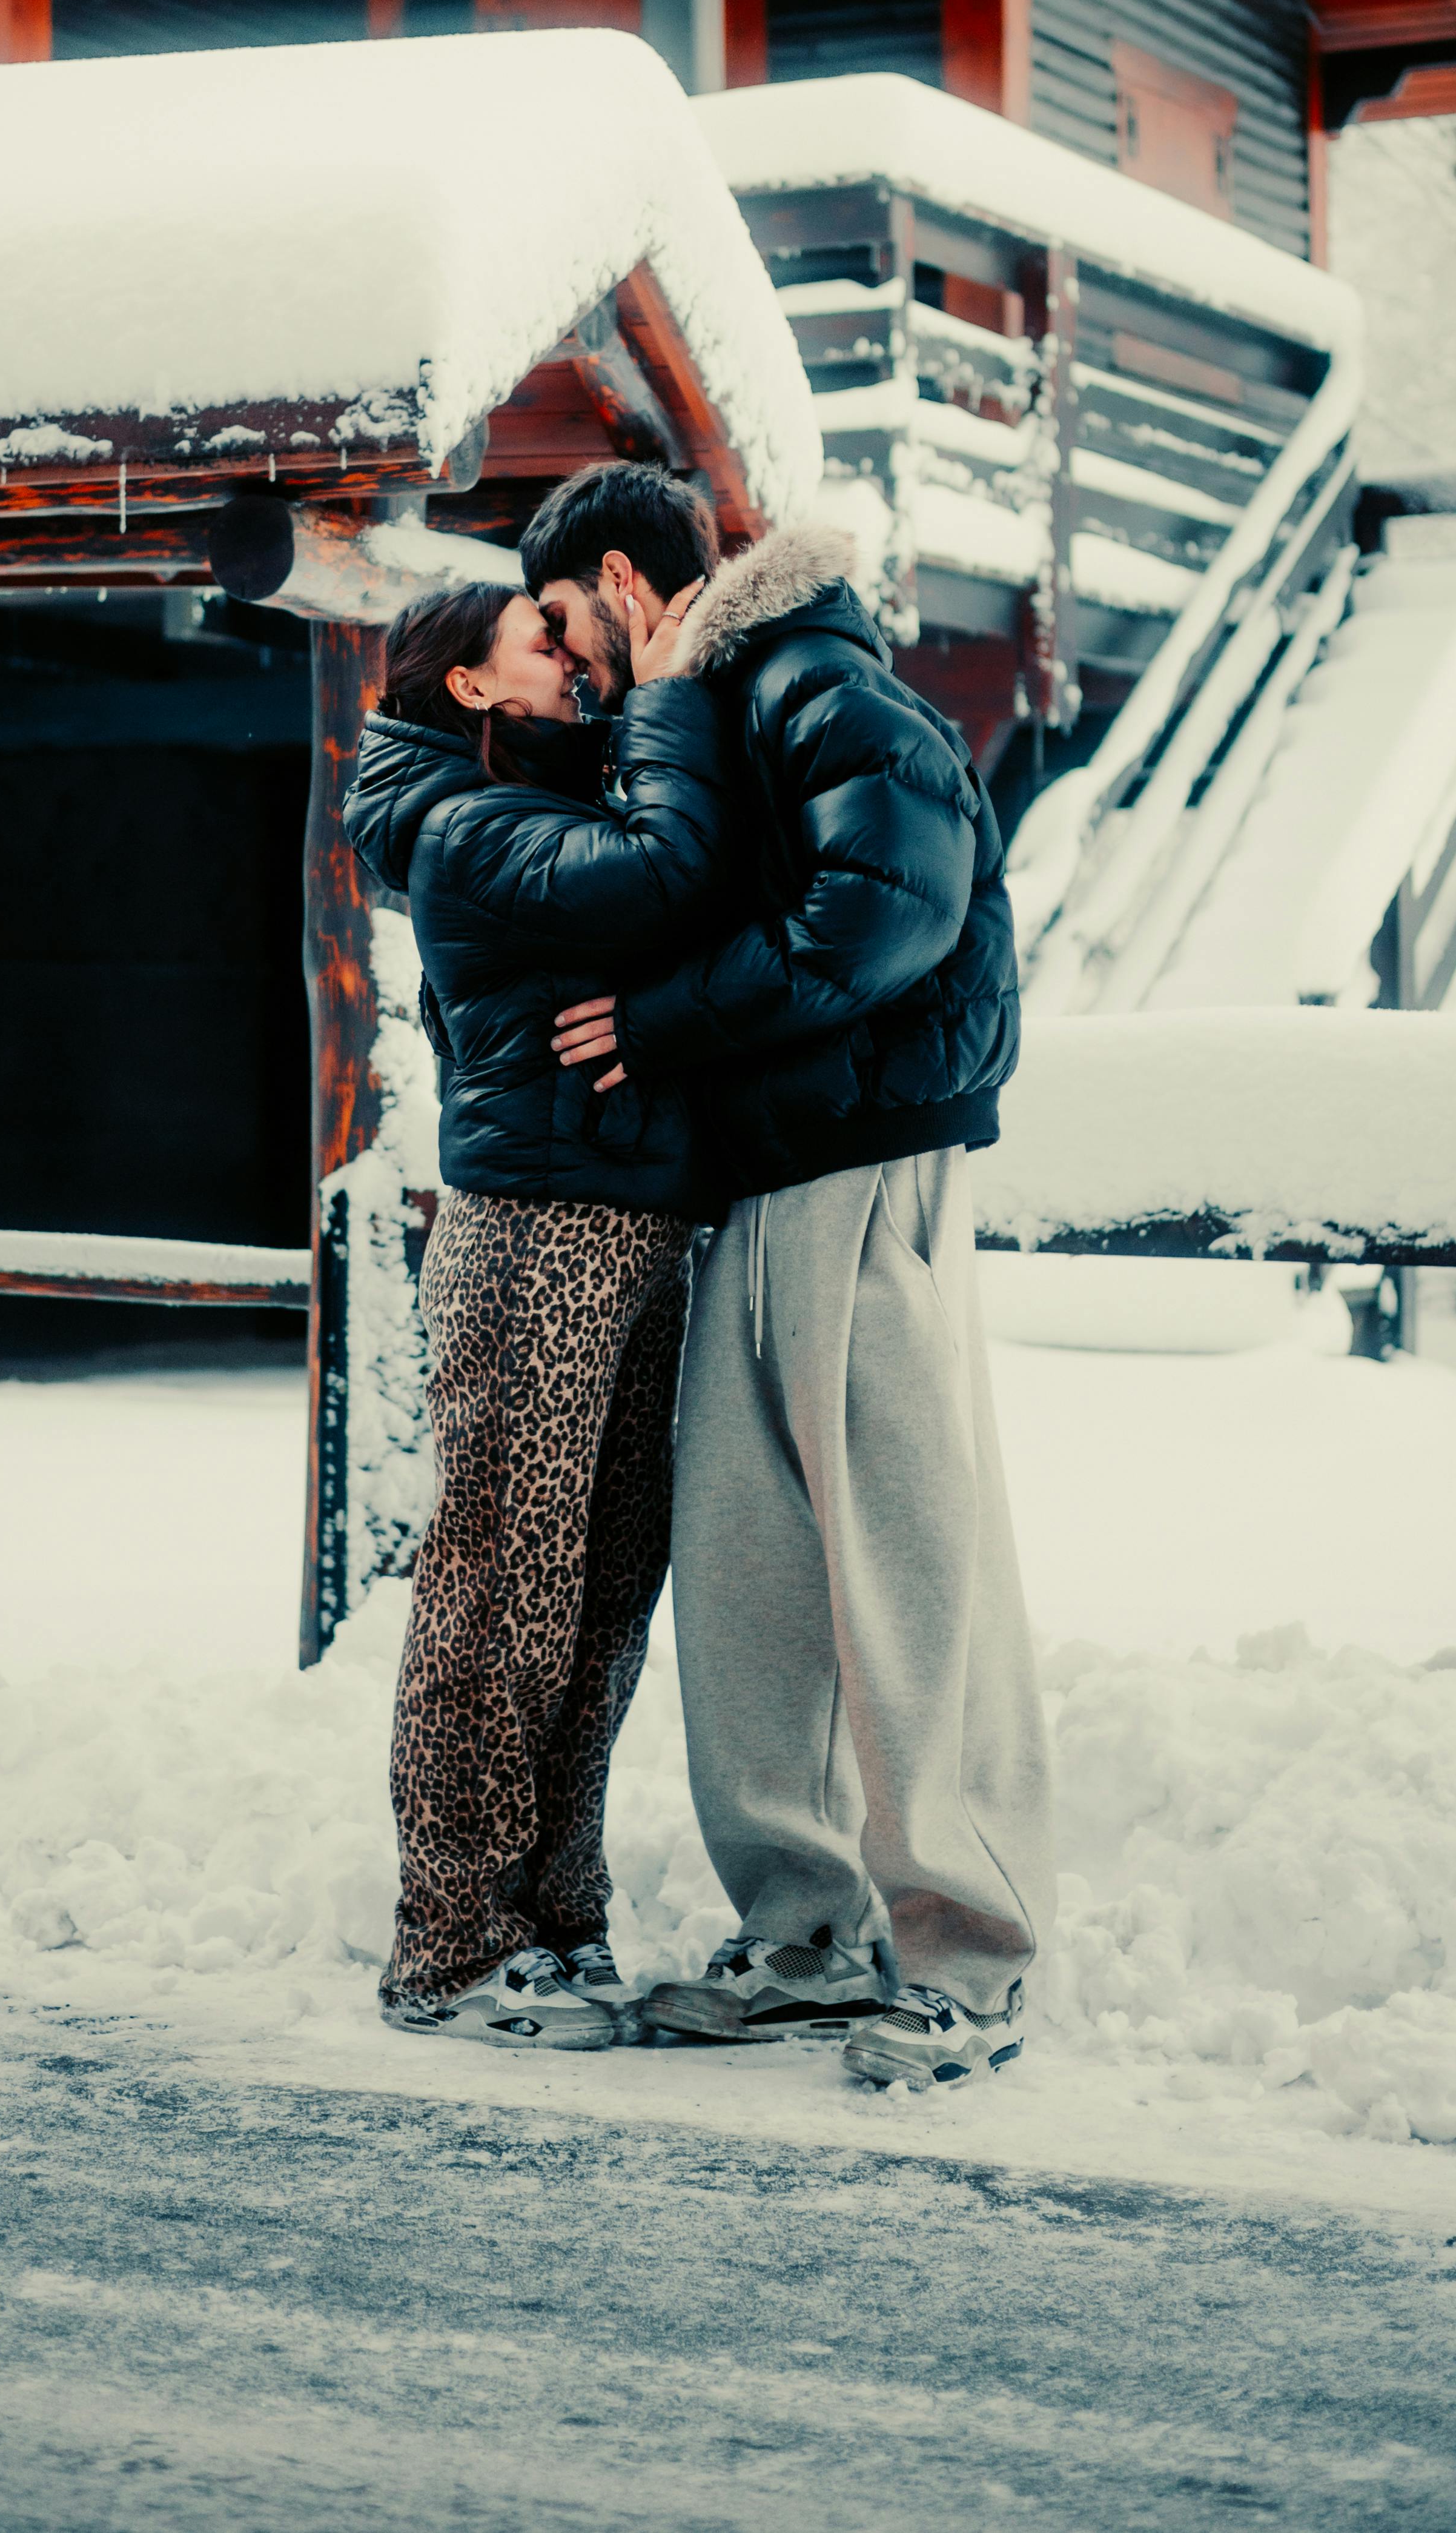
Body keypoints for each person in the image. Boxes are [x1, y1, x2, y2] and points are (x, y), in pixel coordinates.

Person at [528, 472, 1055, 2094]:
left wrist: (668, 1015)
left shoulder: (817, 676)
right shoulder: (719, 703)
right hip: (765, 1174)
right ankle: (804, 1937)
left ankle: (968, 1951)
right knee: (752, 1567)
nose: (566, 657)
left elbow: (888, 913)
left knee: (903, 1563)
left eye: (562, 622)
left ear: (625, 578)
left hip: (864, 1163)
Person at [342, 554, 721, 2052]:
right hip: (532, 1238)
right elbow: (660, 882)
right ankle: (448, 1939)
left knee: (603, 1593)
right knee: (501, 1588)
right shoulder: (464, 822)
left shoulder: (533, 793)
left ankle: (560, 1917)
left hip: (627, 1223)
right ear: (470, 681)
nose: (571, 655)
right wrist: (672, 697)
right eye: (539, 639)